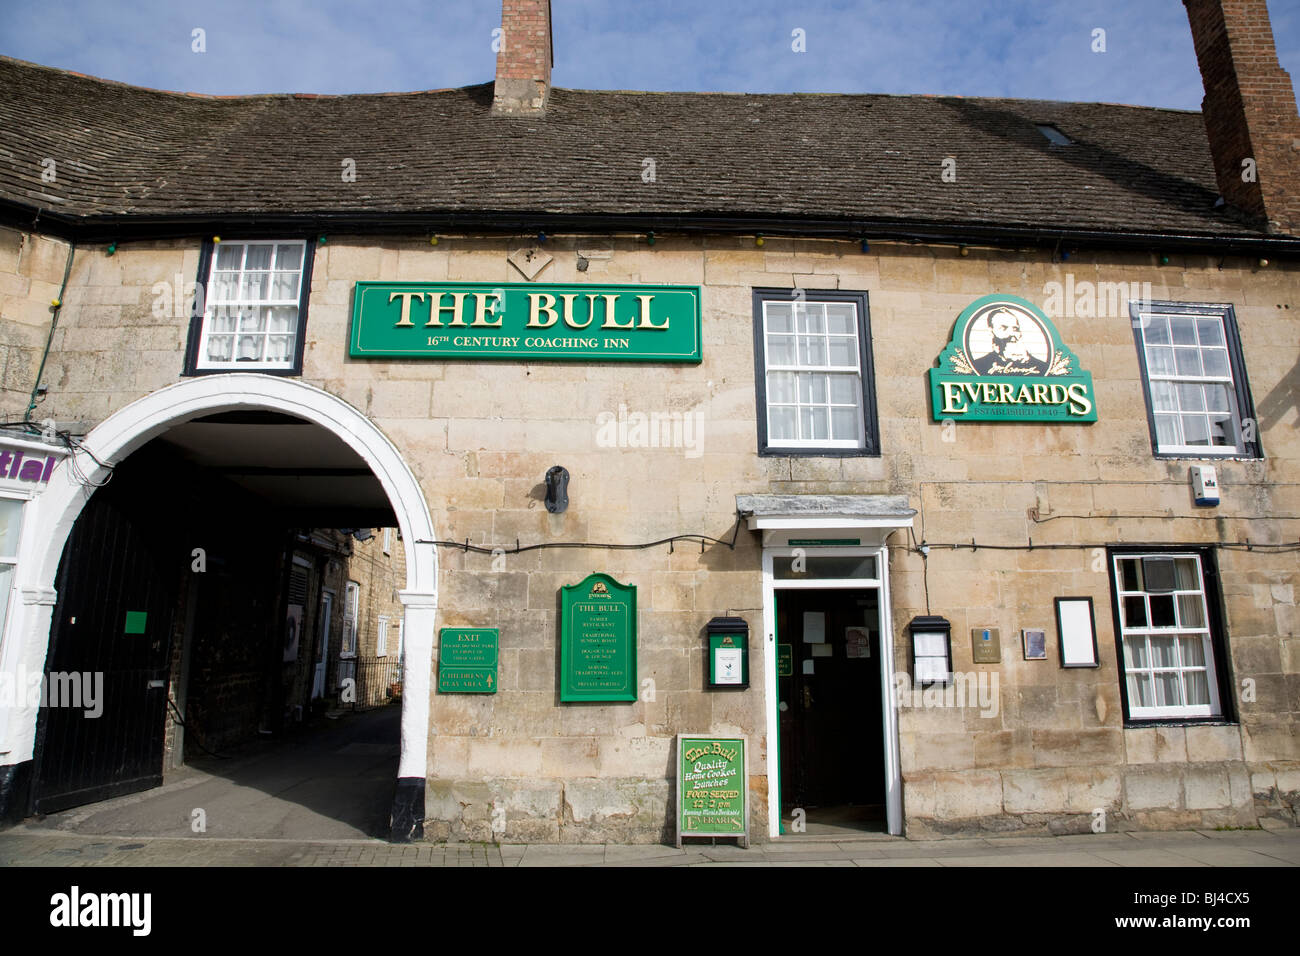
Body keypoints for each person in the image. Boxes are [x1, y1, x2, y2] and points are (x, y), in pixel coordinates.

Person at [971, 308, 1049, 375]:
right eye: (1003, 328)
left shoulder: (1041, 367)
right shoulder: (978, 365)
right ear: (991, 332)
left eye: (1015, 329)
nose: (1012, 334)